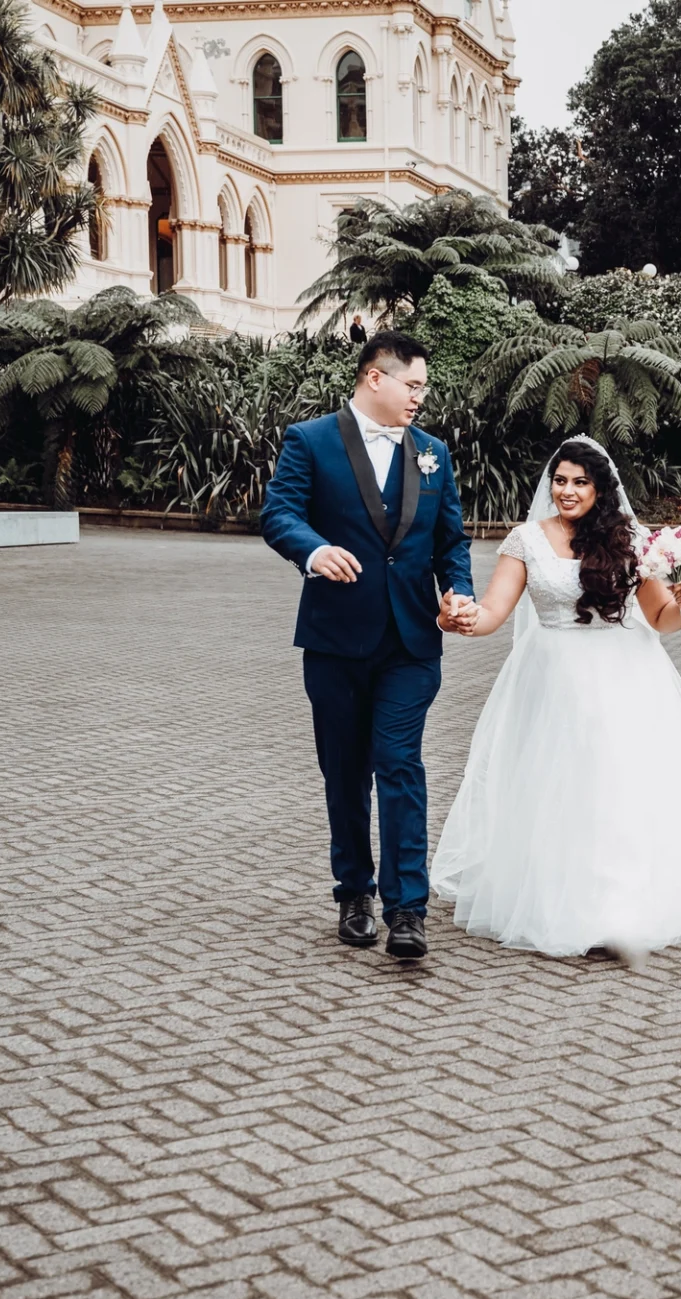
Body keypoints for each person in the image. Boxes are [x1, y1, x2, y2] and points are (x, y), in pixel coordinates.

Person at [431, 437, 681, 960]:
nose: (567, 491)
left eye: (580, 482)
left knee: (616, 781)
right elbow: (491, 613)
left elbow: (662, 620)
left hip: (624, 674)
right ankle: (561, 896)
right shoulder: (526, 540)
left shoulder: (632, 541)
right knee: (557, 785)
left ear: (601, 489)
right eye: (560, 480)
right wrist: (458, 619)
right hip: (550, 677)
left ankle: (617, 906)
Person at [261, 332, 477, 961]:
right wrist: (314, 549)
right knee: (345, 771)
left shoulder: (433, 453)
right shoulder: (310, 440)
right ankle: (353, 892)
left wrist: (457, 593)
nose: (420, 397)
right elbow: (279, 514)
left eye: (424, 388)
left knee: (399, 764)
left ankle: (407, 909)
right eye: (413, 385)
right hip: (335, 641)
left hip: (413, 641)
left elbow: (451, 542)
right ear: (372, 378)